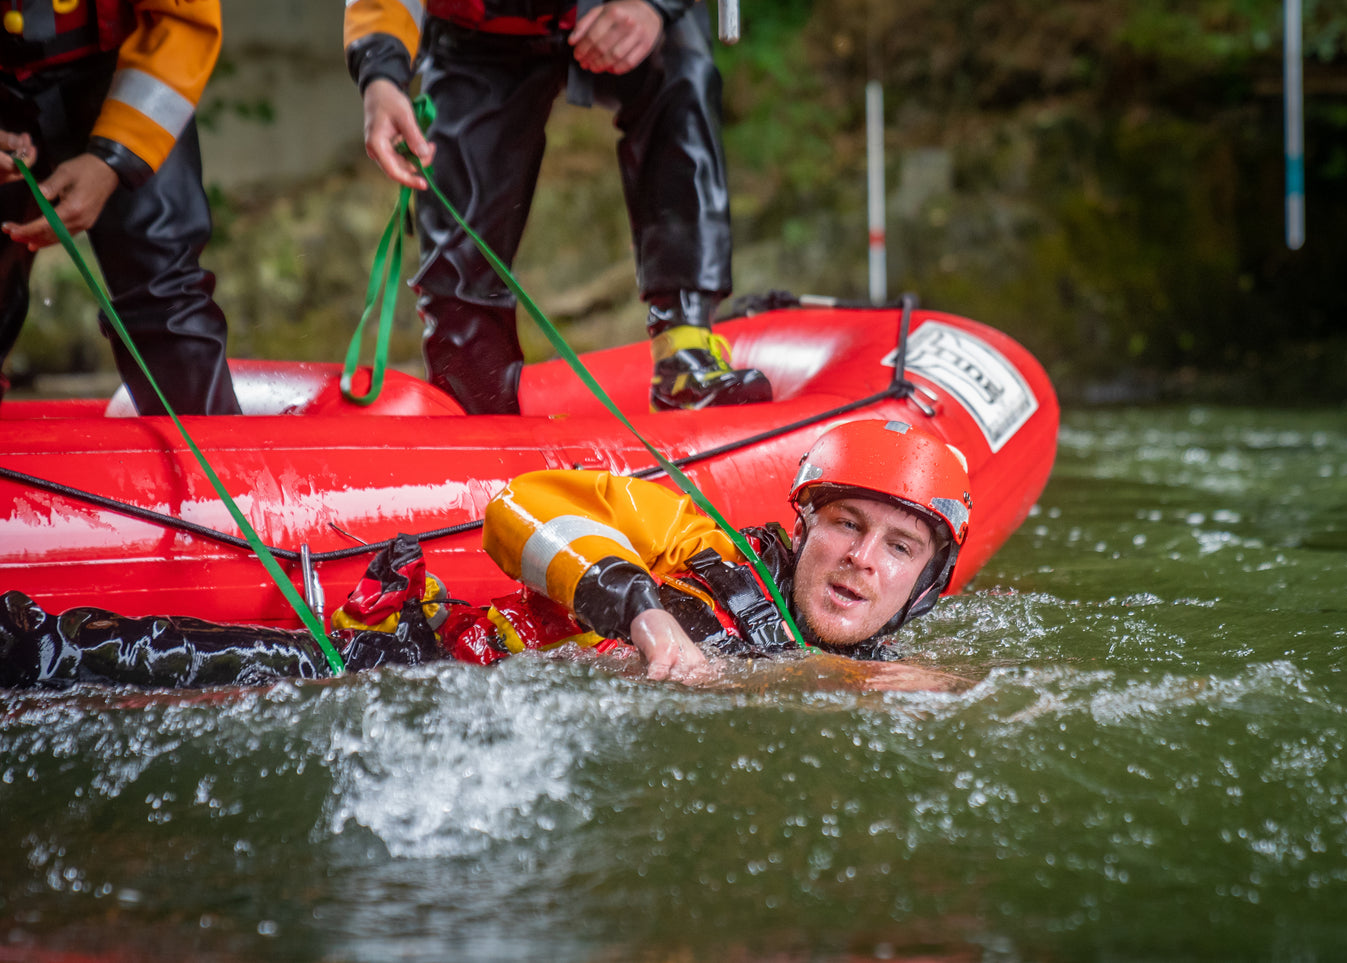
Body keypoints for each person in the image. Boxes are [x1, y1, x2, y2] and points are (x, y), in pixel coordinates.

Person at [0, 420, 972, 692]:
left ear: (922, 585)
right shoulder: (703, 546)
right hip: (402, 673)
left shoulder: (875, 682)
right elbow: (523, 508)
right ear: (802, 526)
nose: (859, 561)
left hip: (463, 728)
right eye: (844, 524)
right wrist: (644, 612)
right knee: (81, 666)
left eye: (896, 547)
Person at [343, 0, 772, 414]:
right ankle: (471, 392)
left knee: (679, 67)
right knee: (460, 230)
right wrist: (380, 77)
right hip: (478, 35)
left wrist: (654, 6)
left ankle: (686, 350)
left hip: (623, 11)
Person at [0, 0, 240, 415]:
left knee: (163, 293)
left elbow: (184, 22)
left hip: (128, 65)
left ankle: (214, 470)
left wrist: (115, 157)